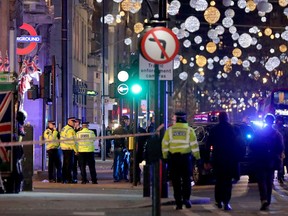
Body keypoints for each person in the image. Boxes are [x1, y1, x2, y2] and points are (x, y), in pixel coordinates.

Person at [162, 111, 200, 210]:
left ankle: (178, 202)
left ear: (176, 118)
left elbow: (165, 145)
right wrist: (197, 157)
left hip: (174, 159)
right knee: (187, 180)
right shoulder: (189, 130)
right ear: (184, 118)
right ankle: (186, 199)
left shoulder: (169, 130)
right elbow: (194, 146)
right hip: (186, 159)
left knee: (176, 181)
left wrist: (165, 157)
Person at [205, 111, 239, 211]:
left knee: (219, 181)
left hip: (218, 158)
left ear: (219, 118)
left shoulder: (214, 129)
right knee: (228, 182)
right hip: (229, 159)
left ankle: (218, 200)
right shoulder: (232, 129)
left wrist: (207, 160)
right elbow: (237, 144)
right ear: (227, 118)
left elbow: (208, 145)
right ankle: (226, 202)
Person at [250, 114, 284, 211]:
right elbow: (280, 148)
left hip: (260, 159)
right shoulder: (277, 134)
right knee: (269, 180)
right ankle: (267, 200)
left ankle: (263, 199)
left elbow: (252, 145)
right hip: (271, 160)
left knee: (261, 180)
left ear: (265, 121)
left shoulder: (259, 132)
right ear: (273, 121)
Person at [60, 117, 78, 184]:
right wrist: (76, 150)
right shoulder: (70, 130)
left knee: (65, 165)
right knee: (69, 165)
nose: (74, 123)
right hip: (69, 148)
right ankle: (69, 179)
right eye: (73, 122)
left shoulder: (64, 128)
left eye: (74, 122)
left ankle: (64, 179)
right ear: (69, 122)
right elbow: (72, 142)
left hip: (64, 148)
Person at [112, 115, 130, 182]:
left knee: (116, 163)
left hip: (116, 148)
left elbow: (112, 138)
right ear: (124, 121)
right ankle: (122, 176)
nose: (128, 122)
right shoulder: (125, 130)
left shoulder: (116, 130)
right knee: (123, 163)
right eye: (127, 120)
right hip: (122, 148)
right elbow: (126, 139)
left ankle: (116, 176)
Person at [274, 115, 288, 183]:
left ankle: (280, 176)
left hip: (283, 148)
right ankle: (280, 176)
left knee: (282, 162)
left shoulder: (284, 129)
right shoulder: (275, 129)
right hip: (278, 148)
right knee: (280, 163)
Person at [72, 118, 82, 183]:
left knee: (81, 165)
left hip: (80, 150)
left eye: (75, 122)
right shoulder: (72, 130)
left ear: (78, 123)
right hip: (74, 150)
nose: (74, 124)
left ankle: (83, 178)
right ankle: (74, 178)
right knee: (74, 165)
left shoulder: (81, 130)